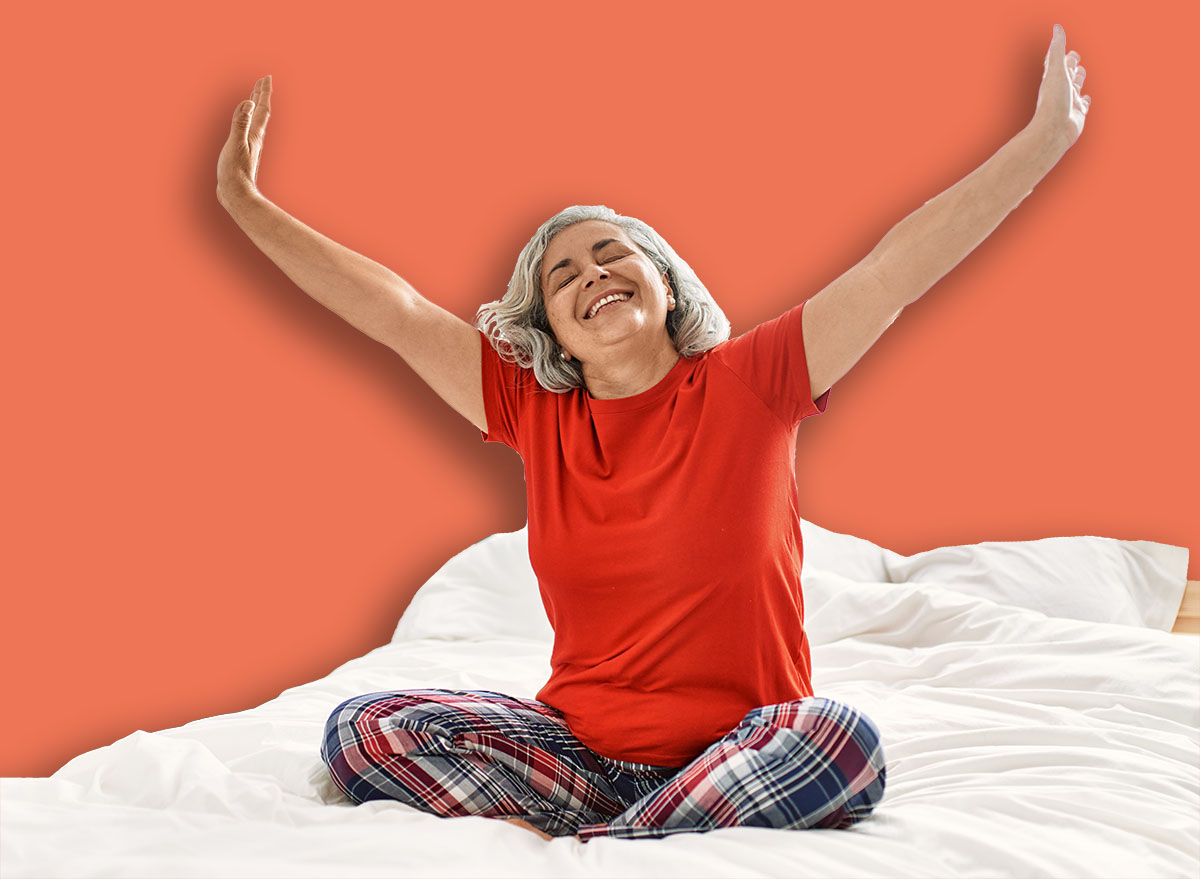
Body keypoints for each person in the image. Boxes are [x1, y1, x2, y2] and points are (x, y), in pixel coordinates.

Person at [215, 25, 1089, 842]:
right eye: (564, 276)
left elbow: (896, 268)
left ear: (665, 283)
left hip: (747, 745)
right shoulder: (533, 411)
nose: (593, 274)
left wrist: (1043, 140)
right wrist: (247, 206)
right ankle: (653, 828)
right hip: (584, 759)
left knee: (843, 741)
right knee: (364, 730)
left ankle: (624, 843)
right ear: (550, 327)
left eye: (612, 255)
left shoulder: (754, 380)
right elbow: (397, 311)